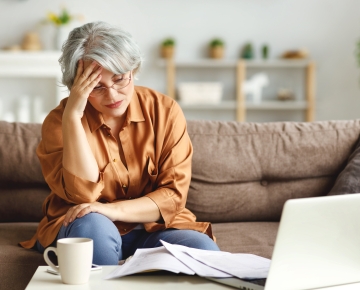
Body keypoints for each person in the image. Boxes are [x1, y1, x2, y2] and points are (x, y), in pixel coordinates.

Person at [20, 21, 219, 265]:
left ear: (134, 70)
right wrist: (73, 117)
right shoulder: (58, 122)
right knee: (93, 230)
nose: (112, 96)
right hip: (87, 226)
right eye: (96, 87)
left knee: (203, 251)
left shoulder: (165, 111)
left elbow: (173, 196)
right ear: (76, 88)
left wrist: (113, 210)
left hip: (151, 228)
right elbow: (82, 196)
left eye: (120, 79)